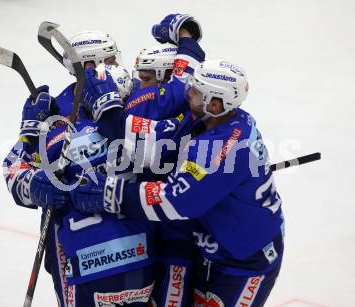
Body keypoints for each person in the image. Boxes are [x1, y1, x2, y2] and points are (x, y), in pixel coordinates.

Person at [70, 58, 284, 307]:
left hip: (245, 259)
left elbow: (176, 200)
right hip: (214, 244)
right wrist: (108, 109)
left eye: (196, 91)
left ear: (215, 104)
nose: (188, 93)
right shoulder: (214, 118)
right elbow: (149, 138)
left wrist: (109, 193)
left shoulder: (222, 150)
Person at [4, 31, 156, 306]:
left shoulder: (136, 95)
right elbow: (14, 167)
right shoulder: (56, 112)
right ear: (89, 66)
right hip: (76, 256)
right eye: (109, 60)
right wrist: (34, 183)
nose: (118, 66)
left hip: (140, 250)